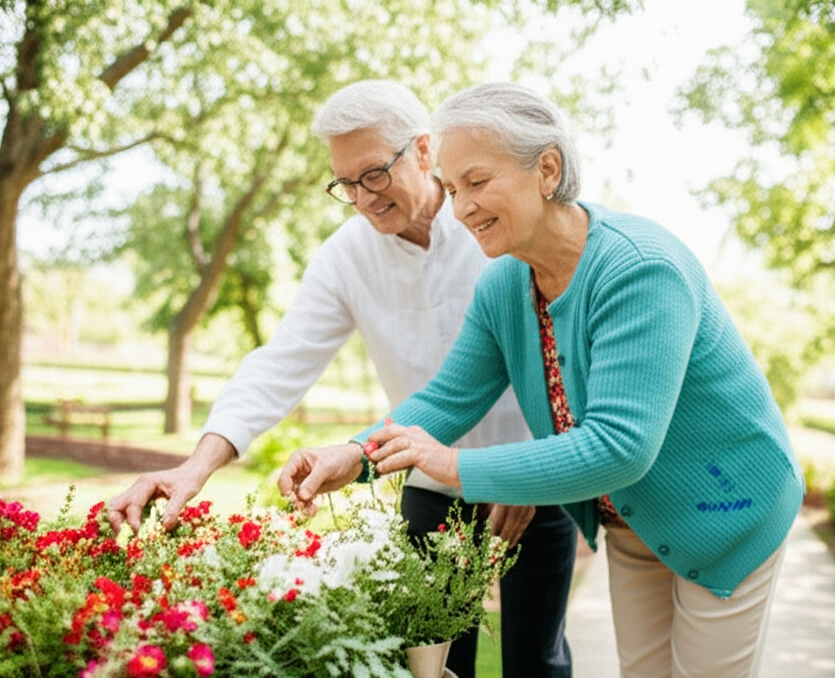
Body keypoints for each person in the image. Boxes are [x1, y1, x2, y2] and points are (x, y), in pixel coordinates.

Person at [278, 81, 807, 678]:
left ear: (547, 169)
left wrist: (453, 468)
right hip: (636, 522)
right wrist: (353, 455)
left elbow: (620, 446)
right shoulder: (505, 283)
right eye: (452, 189)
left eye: (476, 183)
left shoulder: (639, 269)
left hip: (725, 511)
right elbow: (449, 398)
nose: (460, 207)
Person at [106, 80, 579, 678]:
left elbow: (563, 356)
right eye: (346, 183)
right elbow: (281, 362)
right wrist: (194, 467)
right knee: (427, 666)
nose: (362, 197)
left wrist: (536, 472)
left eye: (375, 173)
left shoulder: (497, 223)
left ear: (425, 151)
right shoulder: (344, 257)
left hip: (534, 477)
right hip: (432, 490)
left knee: (536, 662)